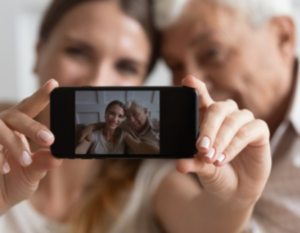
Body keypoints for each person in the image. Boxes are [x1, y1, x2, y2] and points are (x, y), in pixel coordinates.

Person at [0, 1, 271, 233]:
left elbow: (204, 223)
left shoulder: (151, 178)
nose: (98, 81)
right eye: (78, 52)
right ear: (38, 53)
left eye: (126, 67)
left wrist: (239, 199)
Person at [154, 0, 299, 232]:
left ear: (283, 37)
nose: (191, 83)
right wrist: (234, 201)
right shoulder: (177, 150)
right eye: (174, 65)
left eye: (213, 53)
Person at [75, 100, 159, 154]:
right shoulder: (94, 134)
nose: (115, 119)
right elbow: (79, 151)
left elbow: (139, 146)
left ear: (145, 111)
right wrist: (91, 126)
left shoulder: (124, 134)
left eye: (120, 116)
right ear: (105, 115)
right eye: (112, 113)